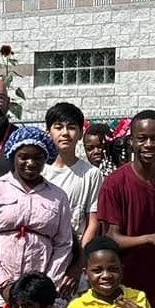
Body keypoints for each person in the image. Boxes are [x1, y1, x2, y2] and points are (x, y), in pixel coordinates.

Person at [95, 110, 155, 308]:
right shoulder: (115, 183)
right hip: (124, 291)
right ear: (131, 141)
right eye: (142, 138)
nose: (149, 145)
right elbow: (111, 239)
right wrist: (151, 238)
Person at [0, 126, 76, 308]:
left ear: (46, 159)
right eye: (24, 157)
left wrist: (45, 284)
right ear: (13, 156)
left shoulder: (58, 196)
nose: (30, 163)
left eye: (37, 158)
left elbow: (63, 244)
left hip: (38, 291)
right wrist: (4, 284)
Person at [43, 102, 104, 244]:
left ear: (81, 133)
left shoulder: (91, 174)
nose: (65, 133)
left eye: (71, 127)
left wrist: (81, 257)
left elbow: (93, 223)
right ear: (48, 132)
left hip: (74, 250)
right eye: (58, 127)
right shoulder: (39, 172)